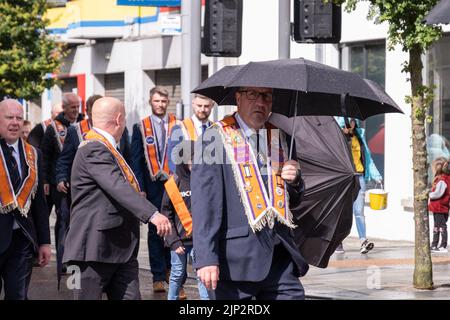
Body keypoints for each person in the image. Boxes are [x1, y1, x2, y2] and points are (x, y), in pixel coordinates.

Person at [191, 87, 309, 300]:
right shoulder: (214, 138)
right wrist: (206, 258)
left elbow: (293, 199)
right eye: (253, 95)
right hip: (235, 262)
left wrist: (295, 180)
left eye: (266, 96)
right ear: (238, 98)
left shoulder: (279, 136)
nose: (260, 103)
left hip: (279, 258)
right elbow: (205, 204)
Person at [63, 97, 172, 300]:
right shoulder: (94, 148)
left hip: (120, 249)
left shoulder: (108, 147)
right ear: (119, 119)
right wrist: (152, 214)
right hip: (91, 250)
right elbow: (118, 186)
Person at [0, 99, 51, 300]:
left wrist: (45, 242)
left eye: (19, 118)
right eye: (9, 117)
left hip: (21, 241)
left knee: (18, 296)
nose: (14, 122)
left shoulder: (33, 154)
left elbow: (39, 203)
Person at [130, 86, 179, 293]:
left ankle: (172, 271)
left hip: (174, 183)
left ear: (168, 102)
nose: (160, 105)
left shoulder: (177, 125)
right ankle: (158, 275)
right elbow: (136, 160)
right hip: (151, 186)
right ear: (151, 102)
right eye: (157, 101)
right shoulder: (141, 127)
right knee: (154, 230)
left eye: (163, 101)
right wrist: (139, 187)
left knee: (174, 227)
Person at [41, 92, 84, 277]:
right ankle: (64, 261)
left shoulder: (84, 125)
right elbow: (45, 156)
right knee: (64, 221)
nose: (76, 110)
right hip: (62, 185)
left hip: (82, 184)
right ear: (64, 108)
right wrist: (47, 180)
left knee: (80, 222)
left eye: (78, 106)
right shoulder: (52, 128)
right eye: (72, 107)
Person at [161, 141, 210, 300]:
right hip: (179, 242)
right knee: (177, 274)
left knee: (202, 275)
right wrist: (173, 241)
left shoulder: (204, 181)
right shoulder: (172, 184)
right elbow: (166, 214)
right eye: (190, 161)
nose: (193, 164)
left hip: (199, 240)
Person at [334, 117, 382, 254]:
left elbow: (368, 158)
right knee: (343, 211)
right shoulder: (338, 139)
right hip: (344, 178)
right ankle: (338, 242)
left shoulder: (359, 137)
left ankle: (363, 241)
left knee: (359, 212)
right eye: (347, 123)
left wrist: (376, 175)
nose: (350, 125)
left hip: (359, 176)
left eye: (352, 122)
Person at [168, 94, 215, 172]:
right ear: (193, 104)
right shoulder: (180, 128)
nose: (202, 109)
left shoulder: (216, 128)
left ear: (212, 105)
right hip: (188, 180)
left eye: (206, 106)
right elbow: (173, 160)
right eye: (199, 105)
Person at [428, 157, 450, 253]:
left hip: (440, 208)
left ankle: (443, 246)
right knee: (436, 227)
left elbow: (438, 194)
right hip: (438, 208)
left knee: (442, 227)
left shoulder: (442, 180)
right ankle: (434, 244)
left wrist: (429, 194)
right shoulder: (442, 179)